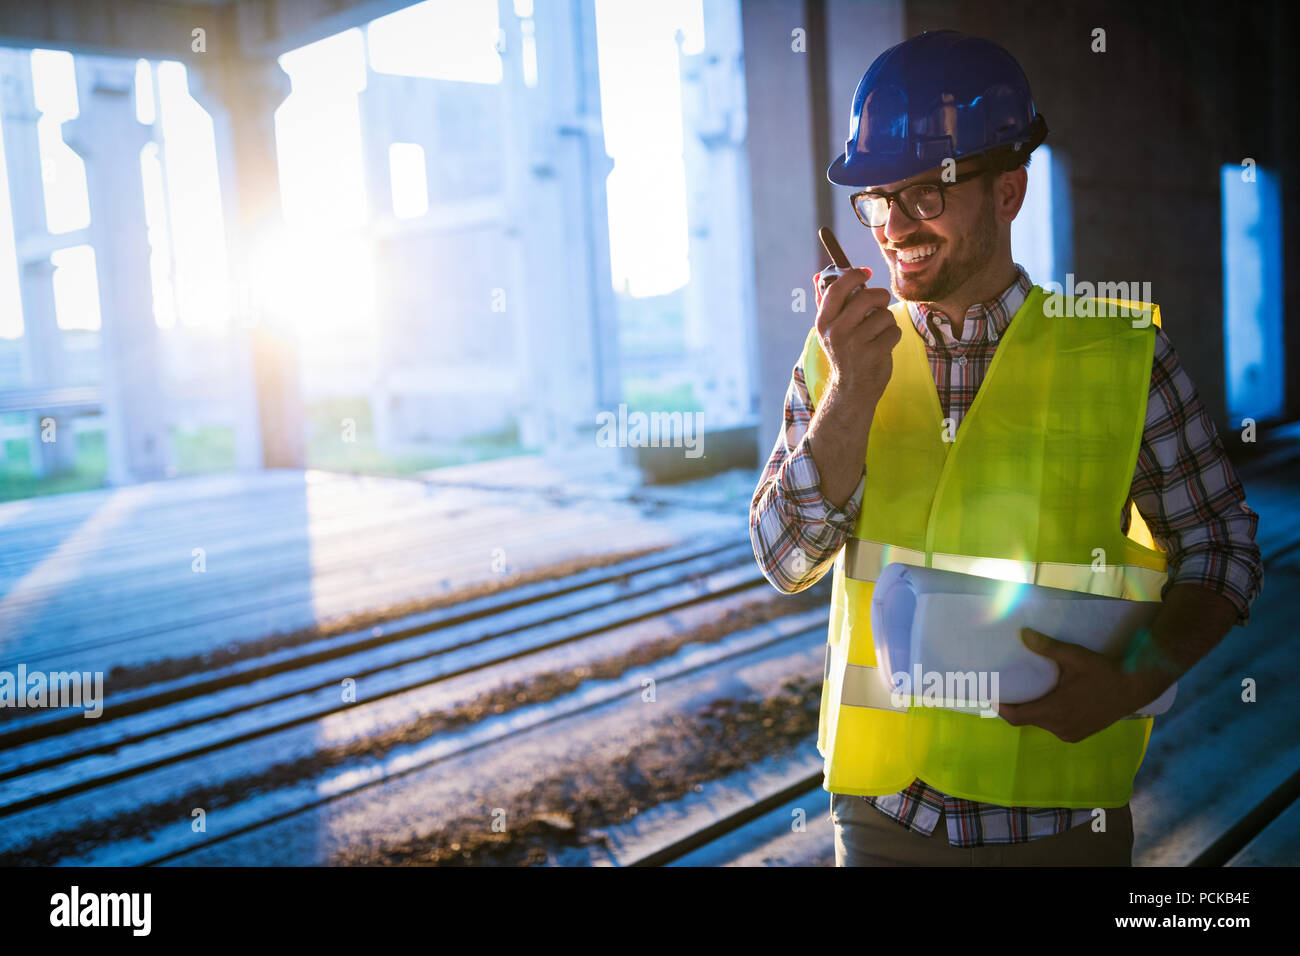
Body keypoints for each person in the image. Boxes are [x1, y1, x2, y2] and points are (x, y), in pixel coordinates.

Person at [749, 30, 1264, 866]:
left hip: (1057, 823)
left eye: (927, 193)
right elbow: (783, 560)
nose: (895, 226)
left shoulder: (1119, 353)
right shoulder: (838, 358)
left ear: (1009, 192)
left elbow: (1223, 551)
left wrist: (1134, 677)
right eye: (878, 199)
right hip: (885, 819)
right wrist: (851, 393)